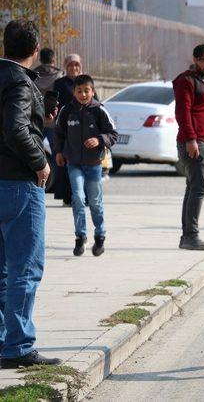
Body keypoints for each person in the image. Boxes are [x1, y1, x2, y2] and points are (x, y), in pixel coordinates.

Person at [0, 19, 61, 368]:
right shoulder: (20, 83)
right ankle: (19, 346)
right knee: (24, 267)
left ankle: (4, 342)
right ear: (35, 49)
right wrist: (41, 162)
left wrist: (42, 118)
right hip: (19, 185)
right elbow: (14, 129)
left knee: (3, 270)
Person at [55, 75, 117, 257]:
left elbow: (113, 134)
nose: (83, 94)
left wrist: (99, 140)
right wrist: (59, 152)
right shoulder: (67, 111)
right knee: (78, 198)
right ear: (74, 92)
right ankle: (80, 236)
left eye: (86, 91)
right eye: (79, 91)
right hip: (73, 163)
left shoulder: (99, 111)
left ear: (93, 91)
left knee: (95, 202)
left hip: (94, 164)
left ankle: (100, 235)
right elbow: (58, 134)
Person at [173, 44, 204, 250]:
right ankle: (191, 236)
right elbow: (183, 112)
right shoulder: (186, 81)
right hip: (195, 142)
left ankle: (187, 237)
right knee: (199, 189)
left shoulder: (203, 81)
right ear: (195, 59)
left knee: (193, 188)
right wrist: (191, 139)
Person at [52, 54, 87, 206]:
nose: (74, 68)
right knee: (66, 163)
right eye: (70, 65)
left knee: (85, 164)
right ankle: (68, 197)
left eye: (76, 65)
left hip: (85, 129)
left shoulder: (86, 81)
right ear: (66, 67)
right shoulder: (60, 83)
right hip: (66, 129)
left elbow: (96, 102)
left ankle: (84, 196)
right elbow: (55, 104)